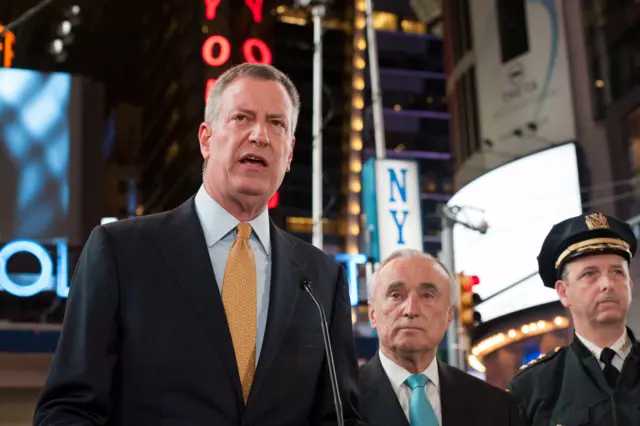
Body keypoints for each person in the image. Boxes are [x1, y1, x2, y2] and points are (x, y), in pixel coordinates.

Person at [34, 63, 364, 426]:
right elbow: (68, 410)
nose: (260, 135)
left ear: (288, 155)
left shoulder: (322, 281)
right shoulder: (120, 253)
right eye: (242, 118)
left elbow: (340, 417)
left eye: (277, 123)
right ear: (206, 139)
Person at [360, 248, 525, 426]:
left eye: (427, 296)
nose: (411, 310)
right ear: (372, 314)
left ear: (449, 316)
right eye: (396, 295)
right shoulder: (336, 399)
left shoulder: (496, 406)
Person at [507, 212, 640, 426]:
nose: (607, 284)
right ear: (563, 292)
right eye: (590, 274)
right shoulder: (533, 387)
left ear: (630, 285)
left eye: (617, 272)